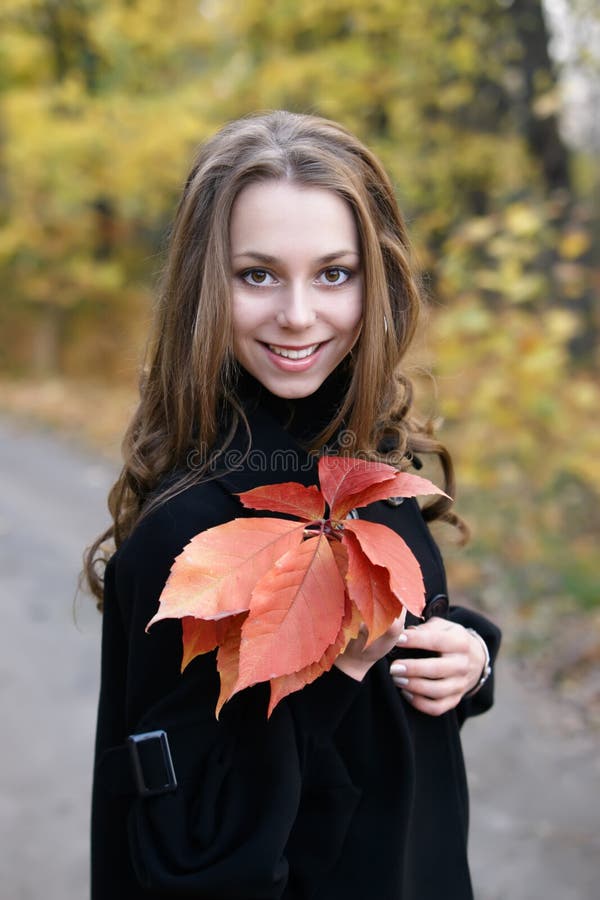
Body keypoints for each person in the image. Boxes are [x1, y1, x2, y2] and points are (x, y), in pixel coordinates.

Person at [86, 110, 501, 900]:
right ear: (206, 285)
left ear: (375, 280)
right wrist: (334, 674)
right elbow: (185, 854)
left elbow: (395, 680)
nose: (300, 315)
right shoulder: (189, 537)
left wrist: (470, 659)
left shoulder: (368, 464)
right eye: (259, 275)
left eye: (334, 274)